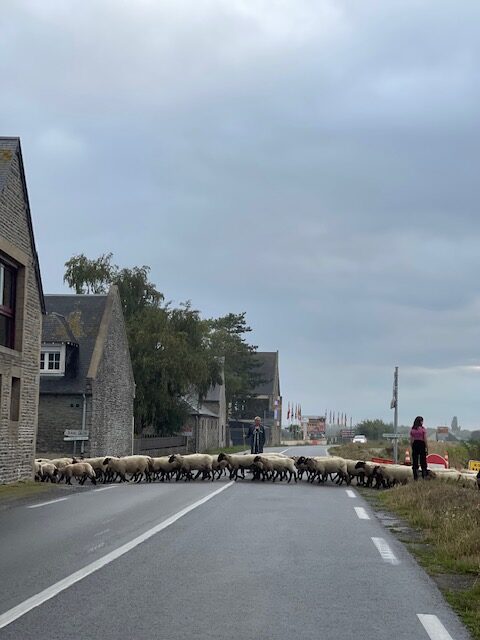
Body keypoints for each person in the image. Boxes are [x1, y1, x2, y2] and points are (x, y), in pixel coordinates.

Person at [410, 416, 428, 480]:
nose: (423, 422)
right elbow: (425, 439)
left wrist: (412, 447)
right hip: (421, 444)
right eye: (422, 421)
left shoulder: (413, 429)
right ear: (420, 422)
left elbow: (411, 440)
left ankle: (415, 476)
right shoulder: (423, 429)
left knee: (415, 461)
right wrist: (426, 447)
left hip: (415, 444)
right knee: (423, 460)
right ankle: (424, 475)